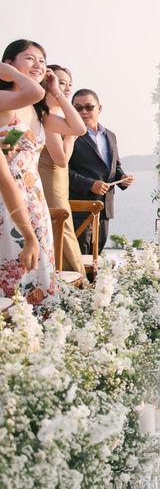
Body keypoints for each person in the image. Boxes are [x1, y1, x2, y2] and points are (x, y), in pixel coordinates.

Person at [0, 40, 86, 304]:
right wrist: (10, 72)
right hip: (6, 197)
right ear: (10, 63)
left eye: (42, 60)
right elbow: (31, 93)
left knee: (41, 270)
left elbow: (78, 128)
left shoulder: (38, 110)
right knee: (16, 269)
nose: (39, 64)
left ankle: (38, 335)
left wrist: (57, 92)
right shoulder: (6, 99)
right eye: (30, 58)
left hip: (34, 200)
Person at [68, 89, 134, 253]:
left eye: (89, 107)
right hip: (79, 207)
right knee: (80, 259)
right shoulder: (68, 134)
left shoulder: (110, 135)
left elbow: (115, 166)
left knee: (97, 256)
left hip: (105, 208)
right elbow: (62, 170)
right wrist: (90, 184)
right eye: (78, 108)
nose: (83, 111)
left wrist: (123, 177)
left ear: (99, 109)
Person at [0, 61, 44, 293]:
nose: (37, 65)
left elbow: (6, 152)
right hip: (12, 198)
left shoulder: (22, 115)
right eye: (30, 58)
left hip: (27, 196)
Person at [38, 65, 86, 276]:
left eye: (69, 84)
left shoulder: (56, 114)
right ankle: (75, 278)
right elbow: (61, 159)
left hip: (59, 181)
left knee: (62, 228)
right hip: (50, 179)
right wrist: (71, 136)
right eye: (60, 82)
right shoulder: (46, 116)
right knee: (61, 227)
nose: (65, 88)